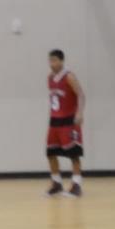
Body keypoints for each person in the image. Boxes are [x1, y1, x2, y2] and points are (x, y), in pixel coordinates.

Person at [45, 49, 85, 197]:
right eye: (50, 60)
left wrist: (79, 112)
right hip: (54, 120)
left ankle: (76, 184)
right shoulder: (50, 77)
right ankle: (57, 183)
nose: (52, 63)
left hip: (69, 120)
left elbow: (81, 94)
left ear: (62, 61)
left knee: (73, 154)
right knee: (51, 153)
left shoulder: (69, 76)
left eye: (55, 60)